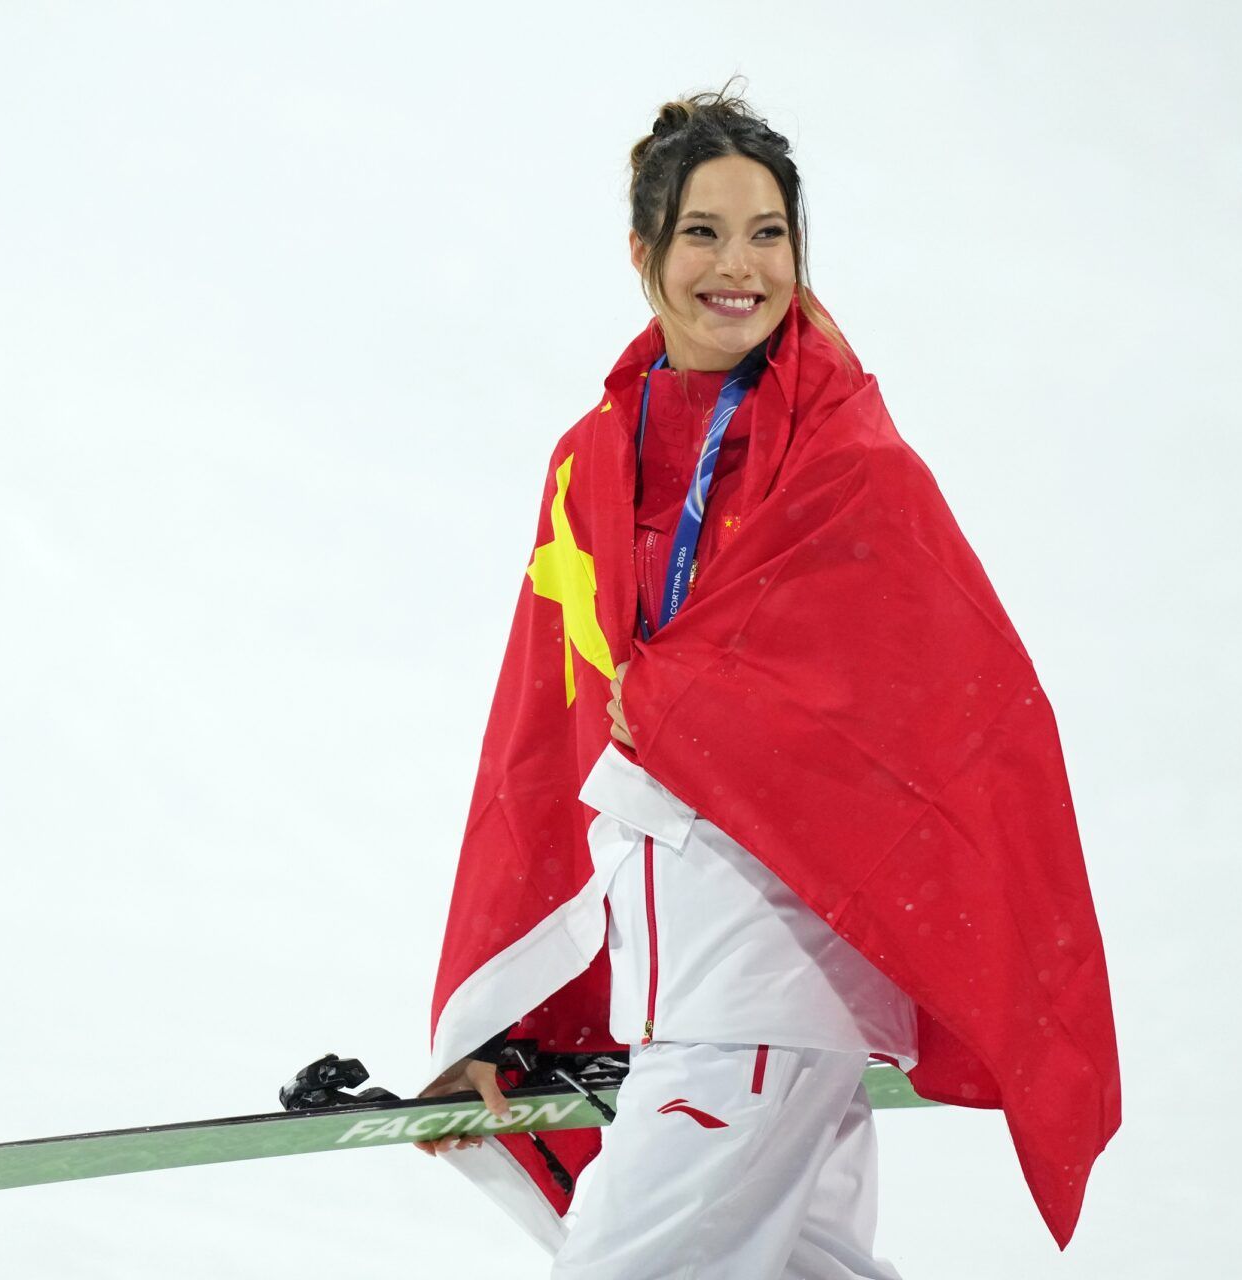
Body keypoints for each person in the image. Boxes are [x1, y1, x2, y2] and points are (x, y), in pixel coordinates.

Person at [415, 81, 1119, 1279]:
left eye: (768, 233)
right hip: (687, 987)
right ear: (643, 248)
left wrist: (686, 700)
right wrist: (513, 1007)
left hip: (765, 991)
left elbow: (930, 712)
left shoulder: (845, 455)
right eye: (702, 232)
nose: (737, 266)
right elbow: (551, 745)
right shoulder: (594, 457)